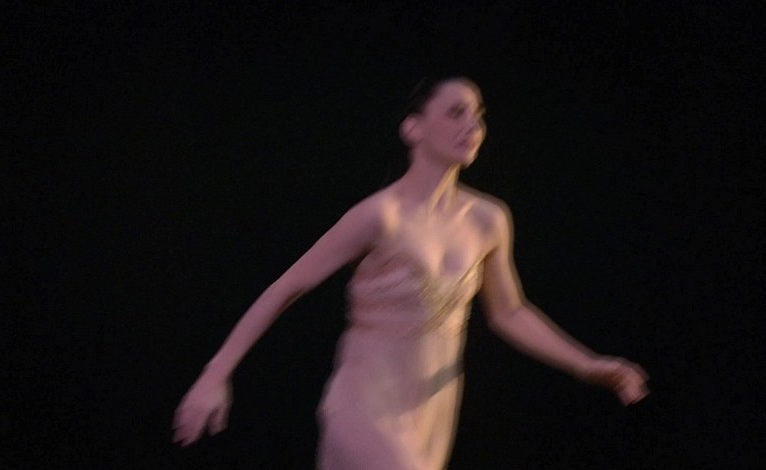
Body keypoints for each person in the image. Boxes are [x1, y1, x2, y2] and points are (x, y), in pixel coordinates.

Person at [172, 77, 649, 469]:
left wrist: (586, 364)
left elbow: (509, 311)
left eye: (478, 115)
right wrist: (215, 375)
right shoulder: (380, 216)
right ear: (413, 128)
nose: (472, 125)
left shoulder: (489, 220)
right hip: (364, 408)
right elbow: (286, 287)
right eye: (456, 112)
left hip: (431, 416)